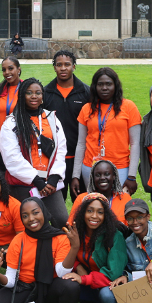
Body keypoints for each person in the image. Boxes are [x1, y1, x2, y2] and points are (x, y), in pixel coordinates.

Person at [0, 78, 69, 229]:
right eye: (29, 93)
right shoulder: (11, 123)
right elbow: (12, 158)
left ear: (42, 96)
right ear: (22, 95)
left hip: (50, 183)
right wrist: (37, 181)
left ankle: (59, 251)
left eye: (38, 93)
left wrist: (53, 179)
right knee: (29, 224)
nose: (34, 96)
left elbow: (60, 149)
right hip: (24, 183)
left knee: (62, 219)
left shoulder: (51, 118)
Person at [61, 193, 130, 303]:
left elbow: (113, 273)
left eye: (100, 212)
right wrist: (78, 267)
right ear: (82, 212)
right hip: (89, 276)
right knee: (65, 278)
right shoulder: (77, 232)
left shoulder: (114, 236)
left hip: (111, 282)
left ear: (106, 216)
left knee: (106, 295)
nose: (94, 216)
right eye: (90, 210)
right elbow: (64, 253)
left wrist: (84, 279)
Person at [72, 68, 141, 198]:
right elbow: (81, 144)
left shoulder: (129, 107)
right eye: (100, 84)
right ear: (94, 86)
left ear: (115, 85)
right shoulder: (86, 109)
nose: (104, 88)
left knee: (117, 210)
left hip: (119, 168)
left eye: (108, 84)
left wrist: (131, 176)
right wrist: (75, 175)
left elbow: (135, 144)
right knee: (95, 207)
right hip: (90, 168)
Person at [42, 51, 91, 202]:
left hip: (80, 159)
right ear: (54, 67)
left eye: (67, 64)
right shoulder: (46, 93)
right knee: (56, 206)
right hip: (55, 160)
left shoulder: (86, 92)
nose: (63, 68)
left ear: (74, 67)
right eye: (59, 65)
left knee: (82, 203)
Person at [67, 160, 131, 225]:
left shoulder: (125, 198)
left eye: (107, 174)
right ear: (93, 178)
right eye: (98, 175)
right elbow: (71, 225)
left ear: (114, 176)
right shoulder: (82, 198)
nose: (102, 178)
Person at [0, 56, 22, 133]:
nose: (6, 72)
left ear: (18, 70)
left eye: (10, 68)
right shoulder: (0, 89)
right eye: (4, 70)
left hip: (19, 138)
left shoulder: (26, 88)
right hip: (1, 139)